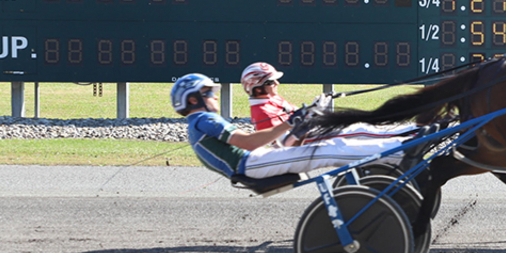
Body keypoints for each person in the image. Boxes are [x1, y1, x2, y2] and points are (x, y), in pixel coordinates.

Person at [171, 73, 419, 180]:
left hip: (256, 160)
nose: (214, 96)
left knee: (331, 146)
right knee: (328, 149)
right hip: (251, 164)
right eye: (209, 93)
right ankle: (402, 149)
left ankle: (399, 147)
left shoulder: (201, 122)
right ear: (193, 99)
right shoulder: (204, 120)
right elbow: (249, 142)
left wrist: (299, 118)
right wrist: (292, 122)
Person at [239, 61, 419, 146]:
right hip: (314, 140)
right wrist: (312, 115)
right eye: (271, 82)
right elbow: (286, 144)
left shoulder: (272, 100)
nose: (277, 84)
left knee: (360, 124)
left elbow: (297, 116)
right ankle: (412, 134)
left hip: (317, 131)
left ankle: (413, 128)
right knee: (360, 130)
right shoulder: (262, 111)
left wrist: (314, 107)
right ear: (257, 88)